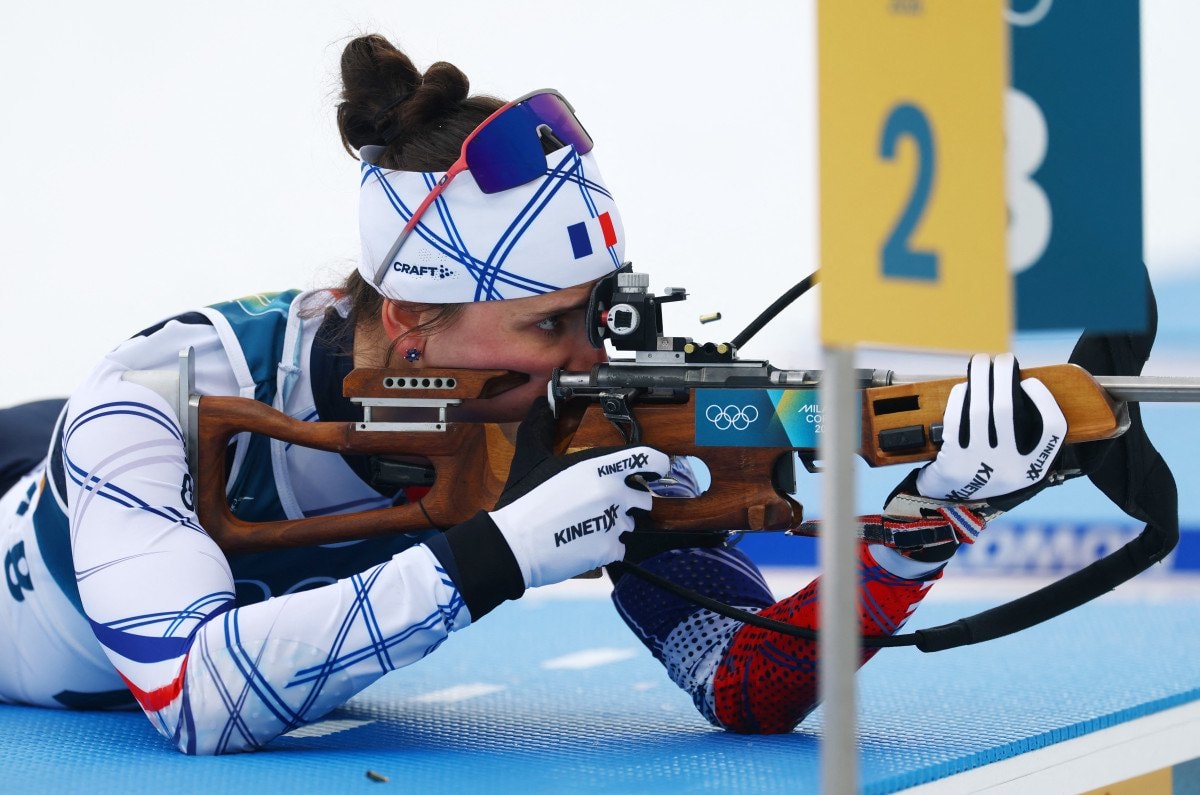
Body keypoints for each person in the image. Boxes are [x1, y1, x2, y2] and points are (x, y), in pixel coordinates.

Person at [0, 34, 1066, 754]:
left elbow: (745, 683)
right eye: (548, 324)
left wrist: (919, 531)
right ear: (412, 318)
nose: (586, 353)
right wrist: (498, 557)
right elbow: (194, 697)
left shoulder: (579, 418)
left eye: (596, 312)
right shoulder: (162, 392)